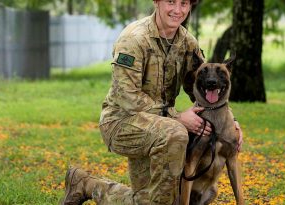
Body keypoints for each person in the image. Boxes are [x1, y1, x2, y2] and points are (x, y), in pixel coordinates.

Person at [61, 0, 243, 204]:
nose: (177, 10)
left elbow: (203, 85)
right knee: (176, 133)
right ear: (156, 1)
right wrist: (176, 117)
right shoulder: (133, 39)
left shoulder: (187, 42)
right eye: (171, 2)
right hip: (122, 123)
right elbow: (127, 96)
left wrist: (230, 121)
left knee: (153, 200)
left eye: (184, 3)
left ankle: (85, 184)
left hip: (160, 128)